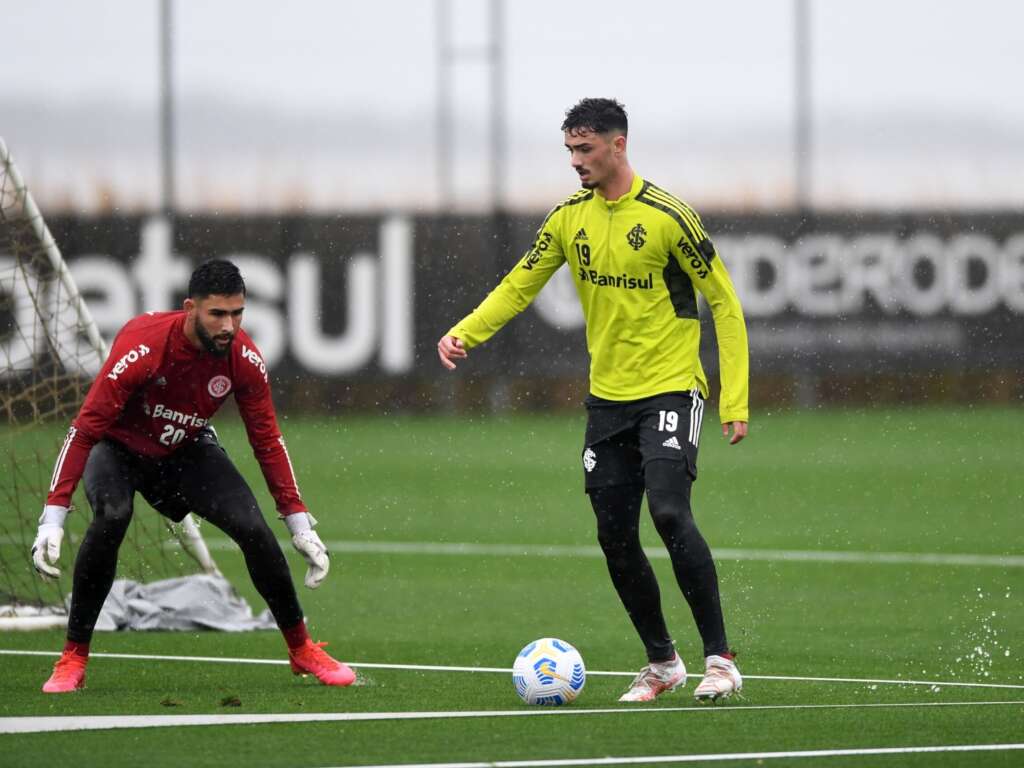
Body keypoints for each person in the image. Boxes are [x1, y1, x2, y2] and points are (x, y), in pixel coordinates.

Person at [437, 98, 748, 703]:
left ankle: (721, 660)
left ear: (619, 145)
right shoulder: (566, 219)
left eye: (586, 149)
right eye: (570, 151)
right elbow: (518, 285)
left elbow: (726, 305)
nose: (576, 162)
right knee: (614, 534)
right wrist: (465, 332)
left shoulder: (667, 217)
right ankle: (662, 663)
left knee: (668, 512)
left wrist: (734, 399)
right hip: (607, 401)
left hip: (671, 387)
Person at [31, 259, 356, 693]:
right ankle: (73, 658)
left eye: (238, 313)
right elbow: (85, 429)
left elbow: (268, 441)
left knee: (253, 528)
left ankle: (302, 649)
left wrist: (298, 521)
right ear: (190, 307)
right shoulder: (143, 347)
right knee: (112, 516)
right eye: (217, 314)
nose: (229, 326)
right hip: (119, 448)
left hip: (186, 447)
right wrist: (53, 515)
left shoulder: (244, 359)